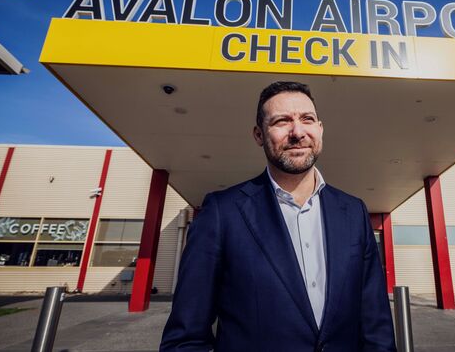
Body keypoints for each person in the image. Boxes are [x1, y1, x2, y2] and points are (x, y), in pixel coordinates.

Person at [161, 81, 396, 351]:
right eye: (282, 121)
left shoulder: (353, 212)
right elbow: (185, 339)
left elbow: (376, 327)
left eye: (307, 119)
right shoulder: (221, 213)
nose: (298, 132)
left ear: (320, 129)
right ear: (259, 135)